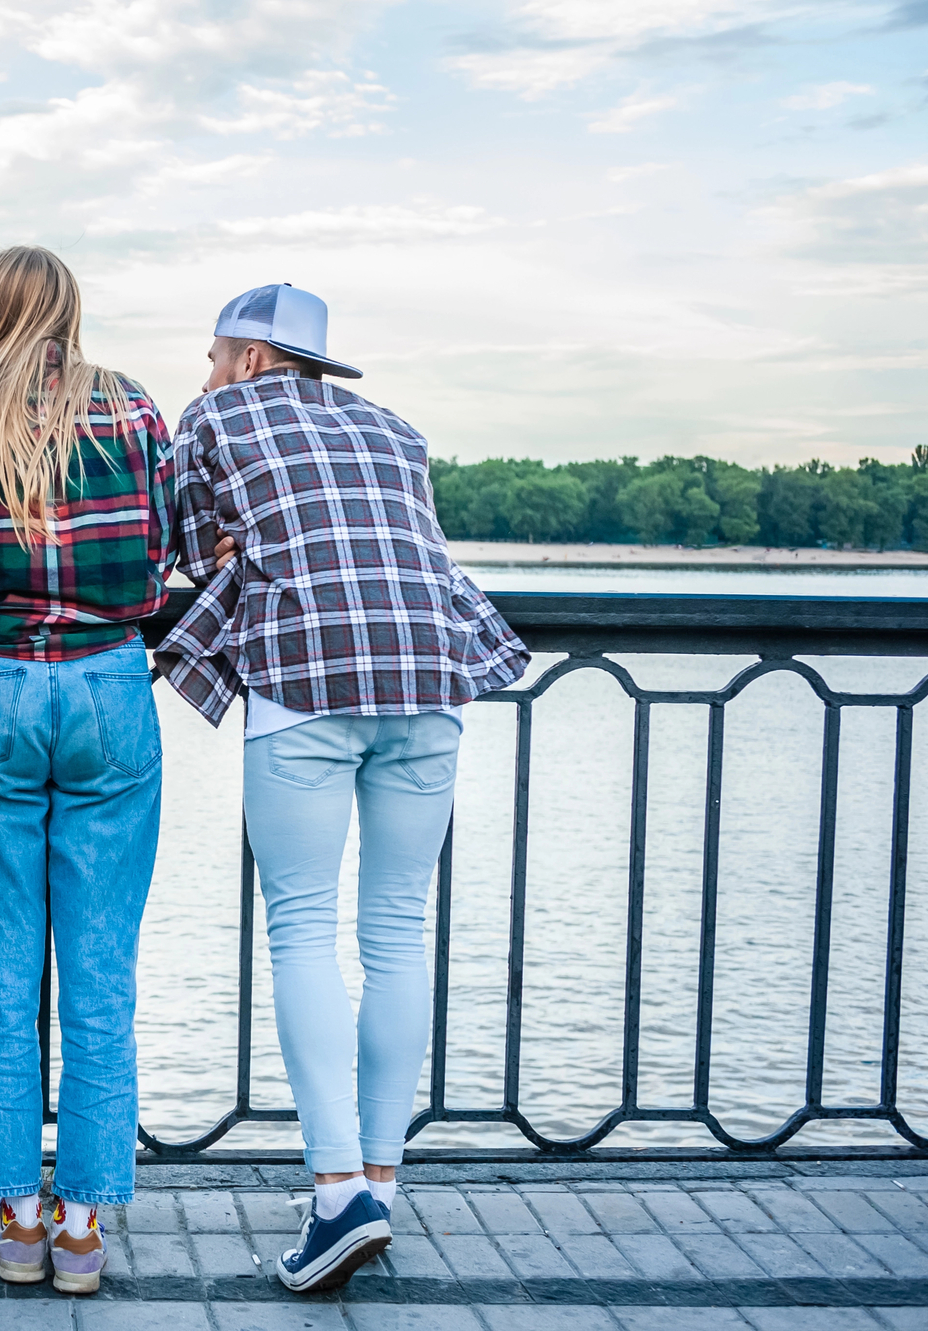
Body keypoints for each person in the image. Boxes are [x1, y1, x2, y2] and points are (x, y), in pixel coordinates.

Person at [157, 283, 529, 1293]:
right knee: (396, 929)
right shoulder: (393, 427)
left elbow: (190, 555)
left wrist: (235, 540)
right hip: (430, 677)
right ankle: (375, 1181)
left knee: (300, 926)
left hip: (307, 678)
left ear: (246, 359)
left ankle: (332, 1197)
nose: (203, 374)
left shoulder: (215, 416)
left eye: (211, 355)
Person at [0, 245, 174, 1296]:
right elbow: (157, 550)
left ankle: (11, 1215)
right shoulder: (133, 406)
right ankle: (80, 1228)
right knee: (99, 964)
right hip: (109, 688)